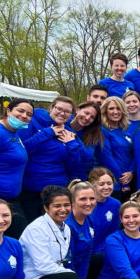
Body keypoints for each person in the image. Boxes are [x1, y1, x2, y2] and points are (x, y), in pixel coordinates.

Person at [19, 186, 91, 279]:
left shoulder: (66, 228)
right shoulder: (36, 229)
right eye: (57, 206)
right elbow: (43, 266)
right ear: (46, 207)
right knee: (69, 278)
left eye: (66, 205)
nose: (63, 209)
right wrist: (72, 276)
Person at [17, 95, 84, 223]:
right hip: (31, 188)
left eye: (67, 112)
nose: (62, 113)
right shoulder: (33, 123)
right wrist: (48, 133)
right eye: (59, 109)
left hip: (57, 188)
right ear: (51, 108)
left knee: (55, 227)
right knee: (32, 227)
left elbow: (75, 165)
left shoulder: (69, 133)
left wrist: (72, 145)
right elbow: (23, 149)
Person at [99, 97, 136, 198]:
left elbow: (134, 154)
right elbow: (106, 157)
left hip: (130, 180)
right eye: (111, 109)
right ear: (105, 111)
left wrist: (131, 172)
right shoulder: (102, 131)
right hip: (114, 184)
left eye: (118, 108)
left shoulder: (126, 131)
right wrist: (123, 180)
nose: (115, 112)